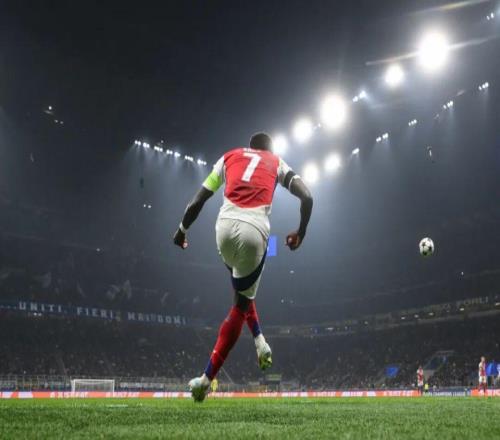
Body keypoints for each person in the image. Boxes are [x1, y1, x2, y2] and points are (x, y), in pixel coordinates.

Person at [173, 133, 313, 402]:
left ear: (250, 148)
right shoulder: (275, 161)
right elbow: (307, 198)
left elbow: (196, 201)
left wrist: (181, 230)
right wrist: (301, 233)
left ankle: (260, 342)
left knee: (242, 290)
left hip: (223, 230)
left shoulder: (229, 157)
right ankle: (205, 381)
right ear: (269, 150)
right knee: (241, 304)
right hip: (254, 232)